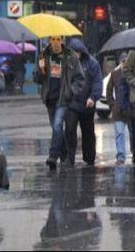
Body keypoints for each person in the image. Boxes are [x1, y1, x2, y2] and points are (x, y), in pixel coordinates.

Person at [33, 36, 85, 170]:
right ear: (50, 40)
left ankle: (53, 156)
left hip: (63, 99)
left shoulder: (71, 56)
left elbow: (80, 79)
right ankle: (65, 155)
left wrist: (71, 91)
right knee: (57, 129)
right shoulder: (43, 56)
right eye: (53, 39)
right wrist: (41, 70)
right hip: (50, 98)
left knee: (57, 125)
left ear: (62, 40)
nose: (55, 42)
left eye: (58, 39)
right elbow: (37, 78)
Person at [65, 39, 103, 167]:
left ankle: (89, 158)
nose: (75, 54)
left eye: (77, 52)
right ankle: (69, 158)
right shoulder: (66, 63)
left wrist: (93, 97)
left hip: (87, 103)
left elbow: (97, 82)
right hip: (72, 103)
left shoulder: (92, 63)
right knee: (69, 130)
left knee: (88, 132)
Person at [107, 53, 132, 166]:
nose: (124, 64)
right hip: (118, 110)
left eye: (126, 61)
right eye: (123, 62)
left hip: (131, 109)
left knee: (134, 134)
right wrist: (112, 105)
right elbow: (108, 91)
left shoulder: (132, 73)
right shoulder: (115, 74)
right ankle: (121, 156)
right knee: (120, 133)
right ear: (119, 62)